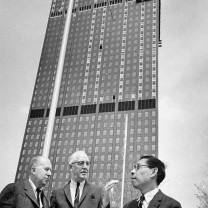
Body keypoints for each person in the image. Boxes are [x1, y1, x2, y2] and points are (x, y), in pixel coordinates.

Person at [50, 150, 119, 208]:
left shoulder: (98, 191)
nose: (85, 167)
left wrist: (106, 201)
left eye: (87, 163)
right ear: (71, 167)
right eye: (81, 163)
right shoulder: (57, 193)